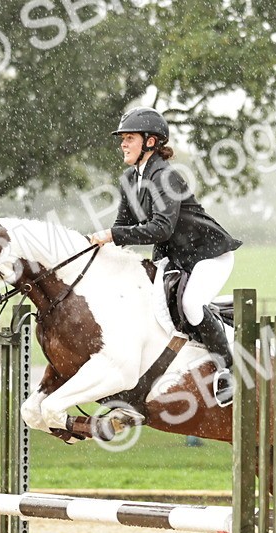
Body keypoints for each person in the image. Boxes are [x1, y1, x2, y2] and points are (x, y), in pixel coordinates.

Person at [88, 108, 243, 406]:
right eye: (122, 139)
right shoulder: (129, 180)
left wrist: (110, 236)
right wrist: (96, 247)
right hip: (176, 260)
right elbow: (121, 228)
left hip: (207, 255)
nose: (123, 144)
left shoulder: (167, 176)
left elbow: (161, 228)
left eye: (129, 138)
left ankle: (229, 369)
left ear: (150, 142)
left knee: (190, 304)